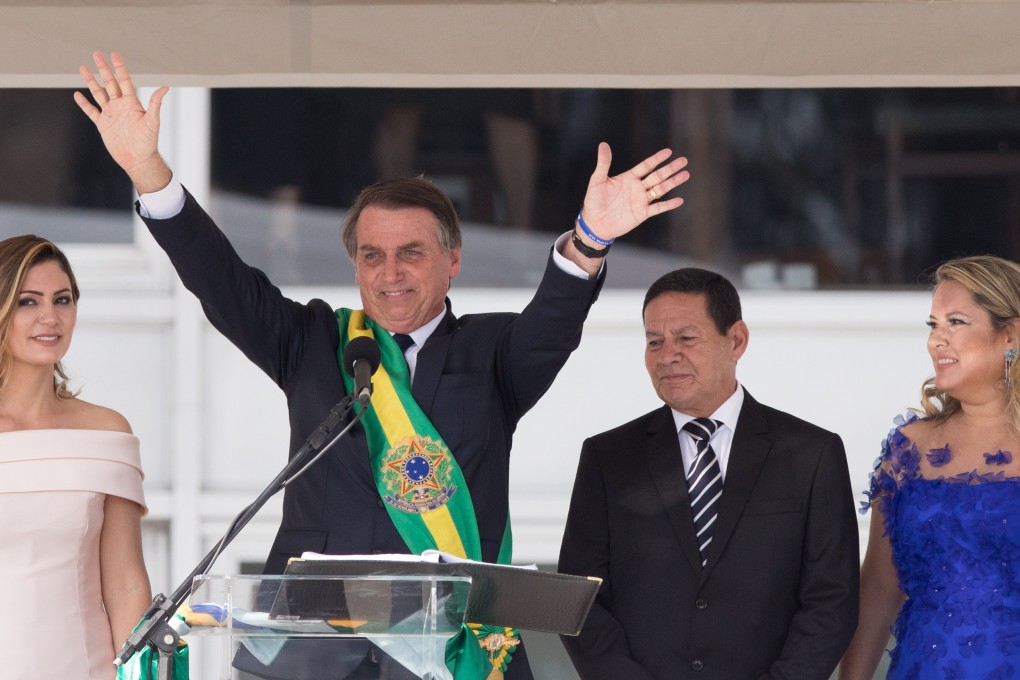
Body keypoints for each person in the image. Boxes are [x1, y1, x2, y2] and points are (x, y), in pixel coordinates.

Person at [74, 51, 689, 680]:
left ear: (453, 261)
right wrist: (148, 171)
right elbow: (221, 281)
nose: (390, 273)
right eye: (373, 255)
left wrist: (590, 238)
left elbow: (556, 319)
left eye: (411, 253)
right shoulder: (313, 342)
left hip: (455, 655)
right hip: (311, 652)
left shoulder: (494, 355)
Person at [558, 267, 860, 679]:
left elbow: (832, 600)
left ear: (736, 340)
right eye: (654, 342)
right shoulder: (607, 458)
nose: (667, 356)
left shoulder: (812, 454)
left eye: (686, 338)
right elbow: (580, 599)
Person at [840, 255, 1020, 679]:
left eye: (955, 322)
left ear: (1009, 334)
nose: (936, 340)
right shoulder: (909, 449)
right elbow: (879, 589)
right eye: (933, 325)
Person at [0, 235, 150, 679]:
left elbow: (126, 585)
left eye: (62, 299)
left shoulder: (105, 433)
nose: (50, 317)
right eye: (28, 302)